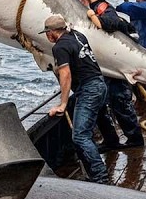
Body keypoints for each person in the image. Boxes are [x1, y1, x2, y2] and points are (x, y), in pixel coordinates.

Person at [43, 14, 110, 183]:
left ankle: (101, 177)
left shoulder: (59, 47)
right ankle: (109, 148)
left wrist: (63, 104)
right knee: (94, 125)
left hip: (89, 90)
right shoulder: (78, 36)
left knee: (80, 136)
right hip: (100, 84)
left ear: (52, 33)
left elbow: (66, 75)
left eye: (46, 33)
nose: (46, 36)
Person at [78, 0, 144, 152]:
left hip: (116, 64)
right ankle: (111, 140)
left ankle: (135, 139)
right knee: (103, 105)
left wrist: (93, 16)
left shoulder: (101, 8)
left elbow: (111, 21)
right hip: (106, 64)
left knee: (119, 101)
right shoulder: (98, 6)